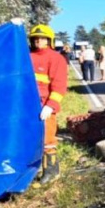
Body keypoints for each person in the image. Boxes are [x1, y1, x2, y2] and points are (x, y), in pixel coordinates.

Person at [29, 24, 67, 184]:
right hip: (27, 106)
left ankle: (51, 172)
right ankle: (30, 172)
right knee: (30, 140)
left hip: (45, 107)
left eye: (43, 38)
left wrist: (50, 105)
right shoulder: (26, 57)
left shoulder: (56, 58)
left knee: (47, 140)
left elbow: (59, 85)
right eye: (35, 38)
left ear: (49, 40)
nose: (39, 41)